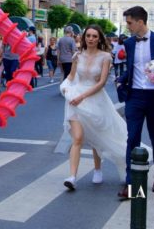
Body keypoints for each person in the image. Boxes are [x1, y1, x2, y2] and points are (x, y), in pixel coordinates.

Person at [60, 24, 130, 190]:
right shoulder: (77, 55)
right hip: (75, 100)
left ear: (99, 39)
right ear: (84, 37)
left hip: (95, 99)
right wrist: (64, 86)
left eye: (94, 36)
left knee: (96, 138)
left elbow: (102, 83)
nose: (91, 39)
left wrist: (82, 97)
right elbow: (71, 76)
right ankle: (72, 177)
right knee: (77, 138)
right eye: (88, 35)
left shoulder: (105, 57)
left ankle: (98, 169)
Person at [116, 6, 154, 199]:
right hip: (135, 96)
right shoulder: (129, 43)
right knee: (132, 137)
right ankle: (130, 183)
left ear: (140, 21)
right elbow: (132, 67)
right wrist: (121, 79)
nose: (128, 26)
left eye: (129, 23)